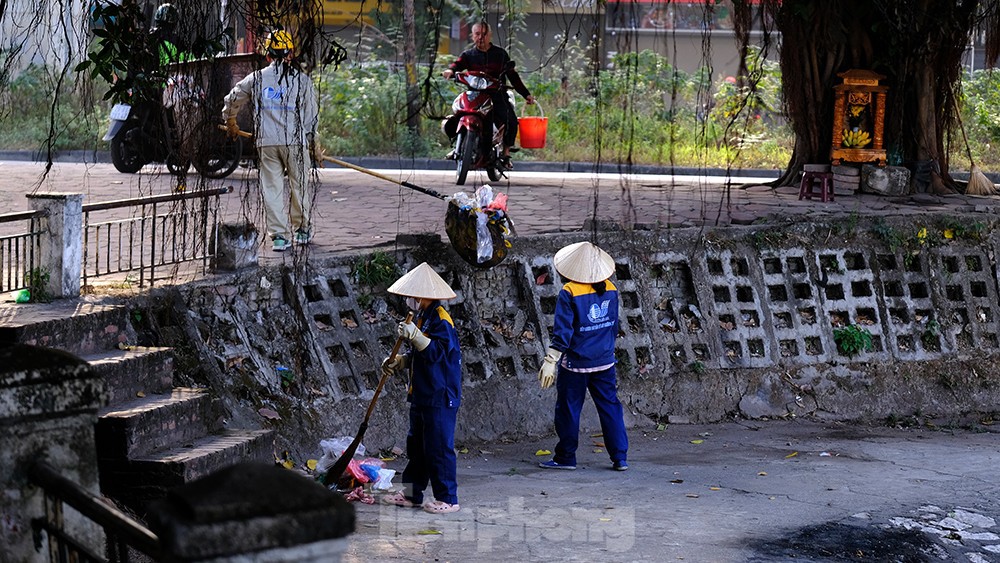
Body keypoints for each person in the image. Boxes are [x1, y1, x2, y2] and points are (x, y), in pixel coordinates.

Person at [222, 30, 321, 252]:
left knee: (272, 189)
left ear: (267, 55)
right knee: (300, 186)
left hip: (267, 143)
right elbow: (311, 116)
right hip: (295, 143)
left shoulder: (256, 79)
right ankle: (302, 230)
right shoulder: (301, 81)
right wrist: (313, 142)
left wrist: (230, 121)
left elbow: (232, 99)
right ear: (290, 54)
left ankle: (279, 237)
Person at [538, 241, 629, 471]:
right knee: (610, 407)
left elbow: (563, 332)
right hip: (605, 361)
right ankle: (620, 457)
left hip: (576, 364)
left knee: (568, 409)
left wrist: (551, 360)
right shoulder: (611, 288)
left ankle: (566, 457)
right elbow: (613, 325)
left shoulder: (569, 291)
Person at [380, 263, 463, 514]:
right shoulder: (422, 317)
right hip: (421, 393)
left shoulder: (441, 320)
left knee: (438, 447)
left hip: (440, 394)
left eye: (413, 296)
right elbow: (419, 354)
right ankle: (413, 493)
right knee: (417, 446)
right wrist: (400, 361)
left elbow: (438, 353)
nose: (409, 300)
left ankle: (448, 497)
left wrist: (415, 336)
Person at [442, 21, 536, 166]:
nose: (481, 37)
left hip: (497, 95)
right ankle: (457, 146)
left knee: (511, 120)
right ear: (472, 36)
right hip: (474, 94)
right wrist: (450, 71)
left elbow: (513, 76)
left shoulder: (500, 54)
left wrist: (526, 94)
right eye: (477, 34)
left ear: (490, 35)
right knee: (456, 114)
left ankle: (506, 153)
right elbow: (457, 64)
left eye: (484, 34)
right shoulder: (468, 55)